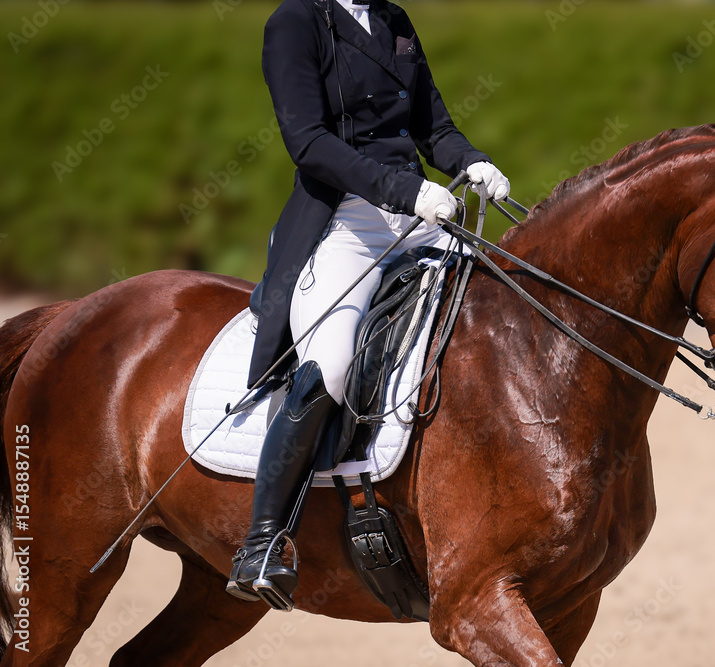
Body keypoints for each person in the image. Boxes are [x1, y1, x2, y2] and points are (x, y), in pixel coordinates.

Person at [227, 0, 510, 607]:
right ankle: (262, 541)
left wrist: (471, 161)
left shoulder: (394, 19)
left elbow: (433, 126)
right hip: (345, 220)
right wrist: (404, 189)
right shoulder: (296, 23)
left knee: (497, 316)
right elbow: (308, 142)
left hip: (417, 214)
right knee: (328, 365)